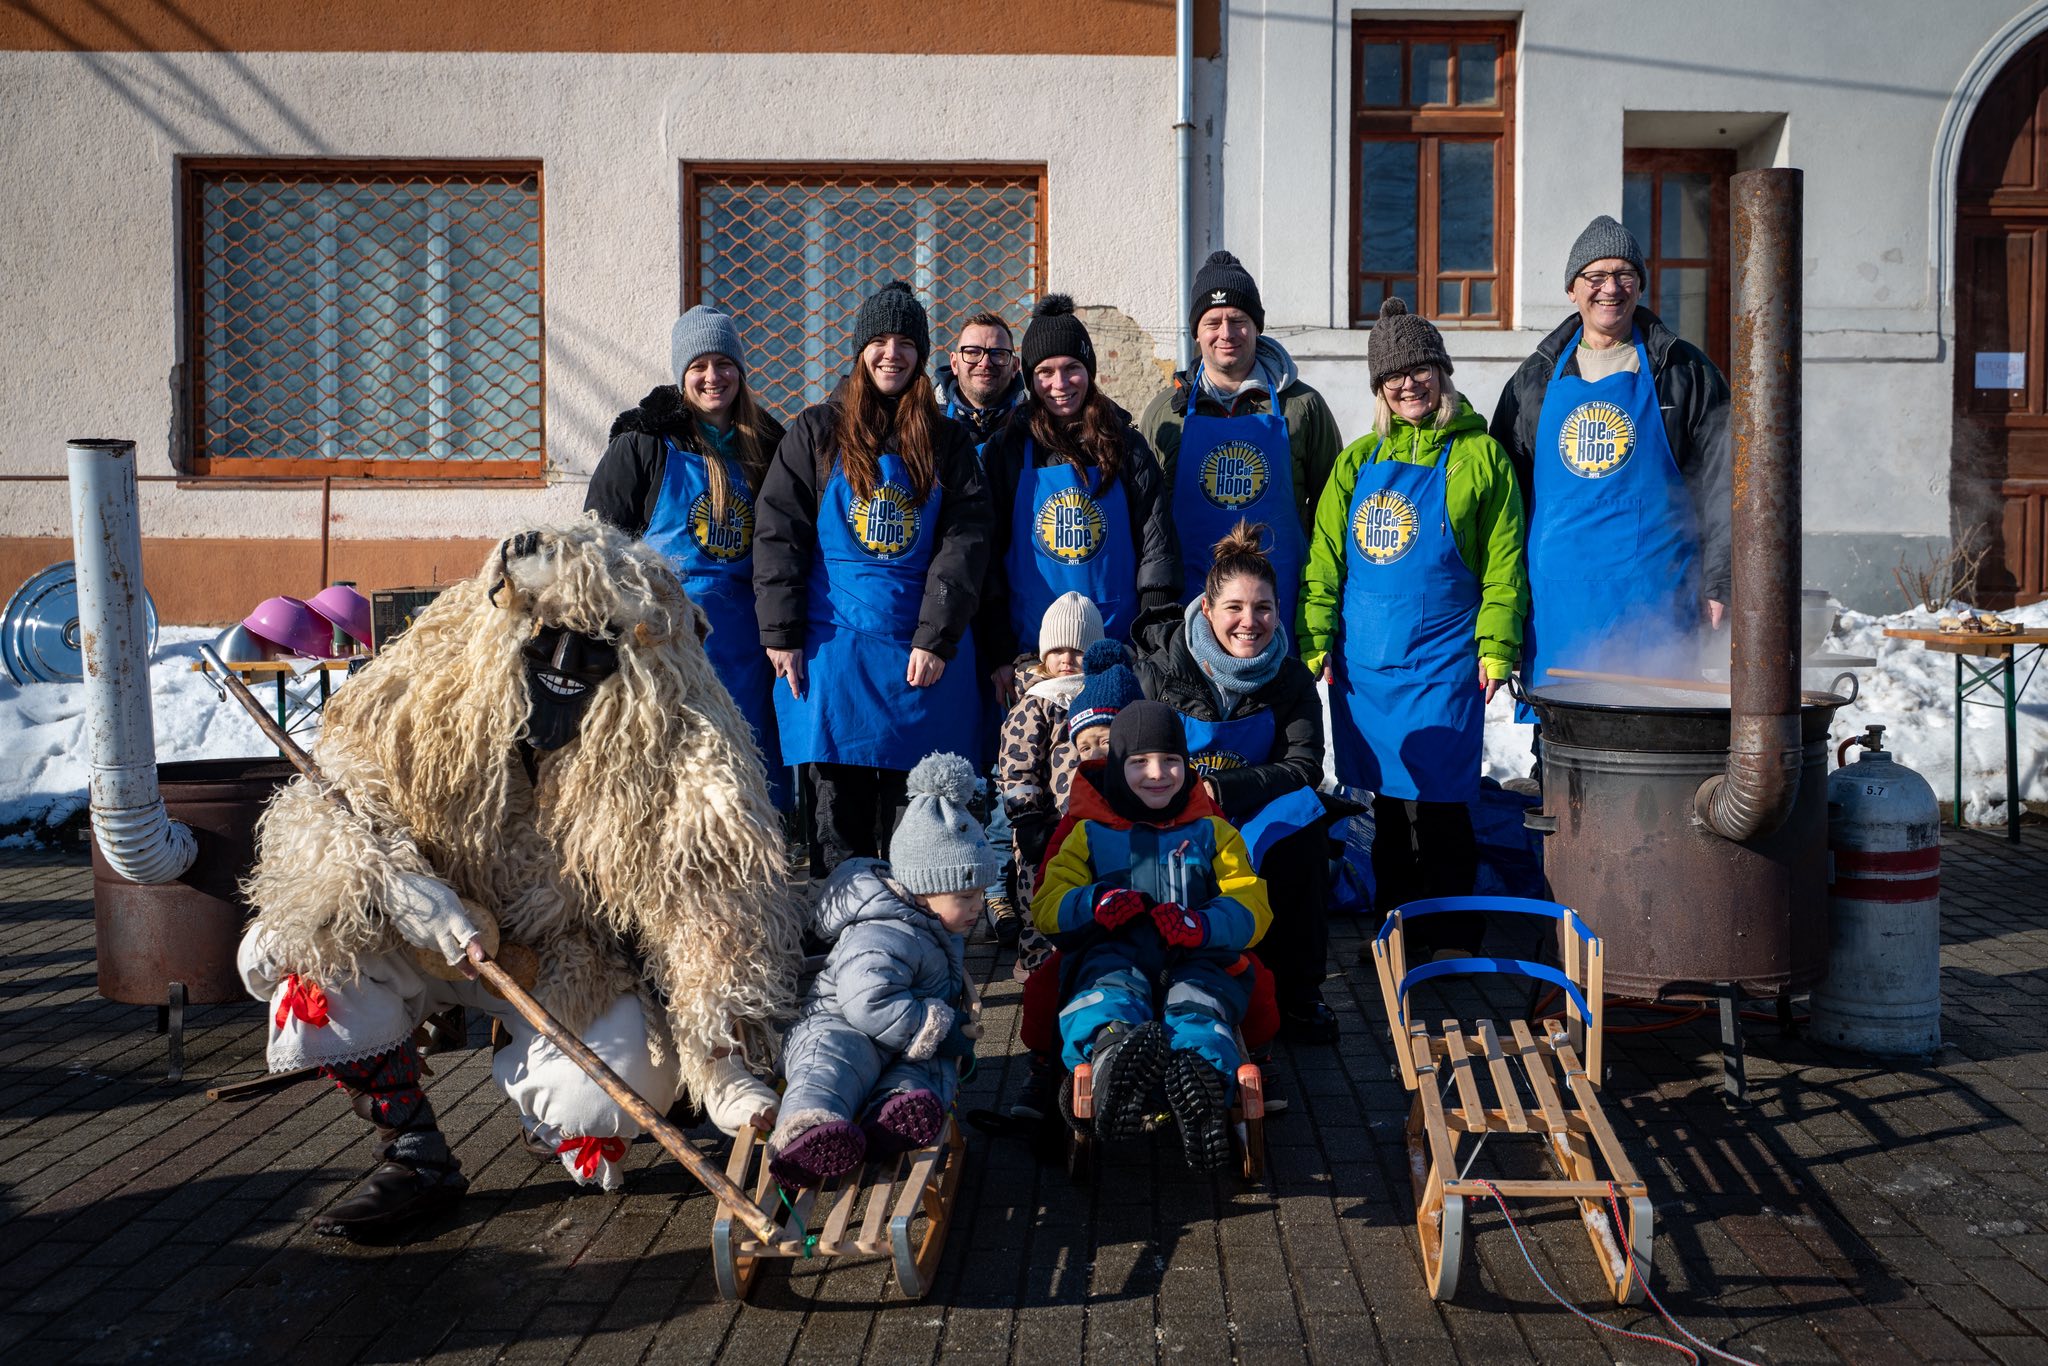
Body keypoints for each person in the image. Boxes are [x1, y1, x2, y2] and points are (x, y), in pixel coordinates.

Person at [237, 523, 801, 1235]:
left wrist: (718, 1056)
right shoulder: (431, 686)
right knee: (309, 944)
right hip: (421, 933)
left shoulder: (670, 729)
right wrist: (399, 885)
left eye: (596, 638)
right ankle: (414, 1156)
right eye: (545, 630)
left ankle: (532, 1069)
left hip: (560, 959)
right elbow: (333, 800)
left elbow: (711, 898)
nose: (566, 660)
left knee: (606, 1104)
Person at [1301, 298, 1527, 957]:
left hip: (1442, 664)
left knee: (1444, 801)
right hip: (1366, 666)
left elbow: (1504, 566)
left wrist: (1497, 646)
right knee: (1388, 810)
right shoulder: (1355, 462)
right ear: (1379, 388)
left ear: (1443, 373)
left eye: (1420, 368)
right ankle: (1397, 935)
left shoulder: (1481, 458)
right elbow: (1326, 561)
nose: (1408, 384)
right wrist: (1315, 637)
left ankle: (1453, 935)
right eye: (1393, 376)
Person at [755, 280, 992, 875]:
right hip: (834, 654)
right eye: (880, 340)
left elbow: (966, 541)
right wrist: (781, 634)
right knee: (839, 829)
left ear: (922, 353)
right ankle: (845, 948)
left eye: (906, 342)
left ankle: (919, 946)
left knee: (918, 827)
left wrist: (935, 638)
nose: (893, 353)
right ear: (860, 350)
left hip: (921, 656)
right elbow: (780, 532)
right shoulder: (815, 431)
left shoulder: (948, 440)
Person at [1488, 215, 1731, 718]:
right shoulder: (1533, 378)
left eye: (1624, 275)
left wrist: (1720, 582)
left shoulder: (1681, 369)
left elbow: (1725, 485)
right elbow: (1504, 499)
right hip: (1560, 600)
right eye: (1594, 277)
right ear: (1573, 291)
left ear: (1640, 285)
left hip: (1656, 593)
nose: (1610, 289)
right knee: (1562, 740)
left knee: (1657, 736)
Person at [1032, 700, 1271, 1173]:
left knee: (1198, 1003)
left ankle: (1198, 1079)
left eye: (1171, 761)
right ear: (1118, 767)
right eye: (1139, 762)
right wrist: (1093, 903)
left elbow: (1251, 904)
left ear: (1187, 765)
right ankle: (1112, 1059)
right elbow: (1047, 903)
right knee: (1106, 994)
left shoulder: (1212, 831)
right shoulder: (1090, 833)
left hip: (1196, 956)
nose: (1157, 774)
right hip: (1114, 952)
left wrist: (1202, 924)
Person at [1130, 521, 1335, 1040]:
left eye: (1263, 608)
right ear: (1206, 610)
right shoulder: (1161, 671)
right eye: (1235, 608)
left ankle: (1299, 992)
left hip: (1254, 808)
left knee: (1305, 828)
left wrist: (1228, 789)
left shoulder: (1290, 680)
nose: (1250, 622)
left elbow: (1305, 763)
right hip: (1175, 808)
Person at [587, 305, 787, 803]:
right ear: (682, 376)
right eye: (698, 367)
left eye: (723, 364)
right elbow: (597, 544)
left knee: (746, 774)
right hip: (663, 642)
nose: (712, 377)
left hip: (747, 645)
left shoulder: (770, 445)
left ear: (740, 370)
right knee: (672, 774)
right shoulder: (643, 445)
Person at [767, 754, 994, 1186]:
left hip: (893, 1040)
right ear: (923, 890)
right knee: (833, 1065)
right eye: (966, 896)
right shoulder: (886, 931)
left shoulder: (933, 926)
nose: (977, 908)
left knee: (922, 1069)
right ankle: (807, 1132)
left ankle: (893, 1114)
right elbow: (865, 996)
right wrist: (930, 1026)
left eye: (981, 894)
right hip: (840, 1023)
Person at [1140, 250, 1342, 628]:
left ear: (1257, 326)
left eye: (1238, 320)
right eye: (1213, 321)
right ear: (1196, 332)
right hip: (1188, 610)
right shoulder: (1165, 412)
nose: (1226, 333)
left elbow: (1334, 517)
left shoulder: (1302, 406)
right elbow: (1147, 521)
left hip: (1276, 610)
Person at [978, 295, 1179, 676]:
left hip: (1118, 652)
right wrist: (1002, 652)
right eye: (1045, 372)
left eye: (1072, 368)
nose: (1059, 384)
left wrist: (1149, 644)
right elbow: (988, 558)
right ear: (1029, 377)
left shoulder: (1126, 445)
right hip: (1033, 659)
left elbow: (1157, 552)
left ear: (1090, 370)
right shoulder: (1007, 451)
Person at [991, 595, 1105, 941]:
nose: (1067, 660)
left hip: (1099, 822)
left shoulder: (1103, 693)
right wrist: (1027, 819)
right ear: (1044, 654)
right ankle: (1038, 960)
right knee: (1040, 895)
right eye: (1057, 651)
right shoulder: (1037, 701)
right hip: (1046, 827)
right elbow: (1017, 766)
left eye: (1078, 650)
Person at [935, 310, 1026, 453]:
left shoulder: (1037, 429)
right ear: (954, 363)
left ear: (1014, 366)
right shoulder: (925, 423)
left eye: (998, 353)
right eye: (972, 352)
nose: (985, 363)